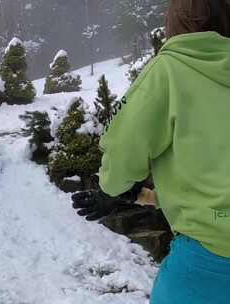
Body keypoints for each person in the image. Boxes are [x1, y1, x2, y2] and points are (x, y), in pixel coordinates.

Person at [72, 0, 230, 303]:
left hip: (206, 263)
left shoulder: (170, 68)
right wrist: (146, 197)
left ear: (180, 23)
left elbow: (122, 149)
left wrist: (112, 188)